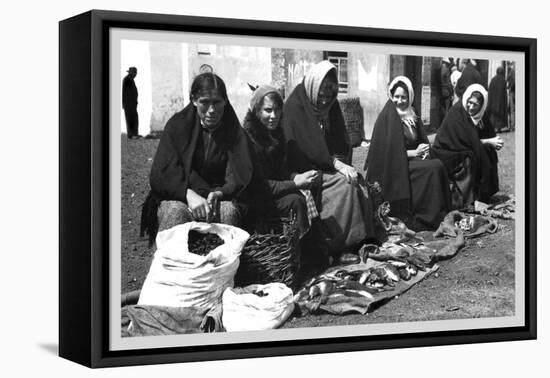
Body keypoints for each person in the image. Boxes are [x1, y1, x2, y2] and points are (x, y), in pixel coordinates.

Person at [140, 73, 253, 244]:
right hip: (181, 196)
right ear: (194, 100)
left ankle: (226, 269)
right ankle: (169, 268)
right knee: (175, 213)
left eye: (217, 102)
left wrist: (220, 193)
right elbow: (163, 172)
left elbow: (239, 175)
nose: (211, 110)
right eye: (204, 102)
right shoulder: (177, 127)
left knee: (229, 214)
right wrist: (188, 195)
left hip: (218, 198)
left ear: (225, 101)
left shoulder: (235, 133)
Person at [282, 60, 377, 255]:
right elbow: (302, 150)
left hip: (325, 165)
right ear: (312, 88)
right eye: (321, 95)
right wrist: (335, 164)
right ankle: (342, 243)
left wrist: (338, 161)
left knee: (357, 180)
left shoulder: (329, 107)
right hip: (302, 170)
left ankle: (365, 237)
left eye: (330, 95)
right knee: (346, 187)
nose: (325, 100)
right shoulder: (295, 107)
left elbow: (339, 142)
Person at [365, 76, 451, 230]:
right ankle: (425, 215)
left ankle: (439, 212)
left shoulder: (412, 113)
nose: (399, 101)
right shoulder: (389, 116)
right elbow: (389, 153)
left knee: (437, 164)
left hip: (410, 160)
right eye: (396, 96)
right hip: (393, 166)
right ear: (391, 96)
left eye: (403, 97)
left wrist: (424, 151)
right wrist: (415, 153)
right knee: (433, 168)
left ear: (410, 97)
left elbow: (421, 139)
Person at [242, 85, 314, 237]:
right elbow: (259, 186)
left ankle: (320, 246)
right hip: (254, 201)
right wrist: (294, 184)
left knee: (308, 191)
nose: (274, 116)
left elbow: (279, 172)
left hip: (271, 194)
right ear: (256, 111)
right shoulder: (249, 141)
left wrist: (295, 177)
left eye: (277, 110)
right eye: (268, 110)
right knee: (296, 201)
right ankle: (302, 253)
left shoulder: (276, 136)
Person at [432, 84, 503, 209]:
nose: (470, 107)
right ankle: (467, 199)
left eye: (475, 105)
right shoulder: (458, 112)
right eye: (470, 102)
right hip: (446, 152)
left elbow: (480, 137)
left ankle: (484, 194)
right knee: (470, 157)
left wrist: (493, 142)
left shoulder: (481, 115)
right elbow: (467, 141)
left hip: (462, 147)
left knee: (488, 153)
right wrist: (489, 141)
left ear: (482, 106)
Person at [487, 67, 508, 133]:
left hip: (493, 101)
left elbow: (489, 91)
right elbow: (504, 93)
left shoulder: (492, 80)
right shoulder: (503, 80)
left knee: (493, 115)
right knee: (500, 115)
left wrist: (489, 100)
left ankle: (493, 128)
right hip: (501, 101)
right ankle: (499, 128)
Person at [122, 66, 140, 139]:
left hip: (132, 104)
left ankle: (134, 134)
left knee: (134, 118)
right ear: (131, 73)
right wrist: (126, 104)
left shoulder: (130, 79)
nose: (136, 74)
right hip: (129, 104)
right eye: (134, 73)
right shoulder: (127, 80)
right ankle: (131, 135)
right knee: (130, 119)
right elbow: (126, 93)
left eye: (136, 73)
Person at [439, 58, 454, 123]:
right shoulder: (446, 70)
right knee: (447, 109)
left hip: (440, 92)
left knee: (442, 109)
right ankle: (445, 123)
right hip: (446, 93)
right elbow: (448, 83)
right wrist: (451, 93)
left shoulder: (439, 70)